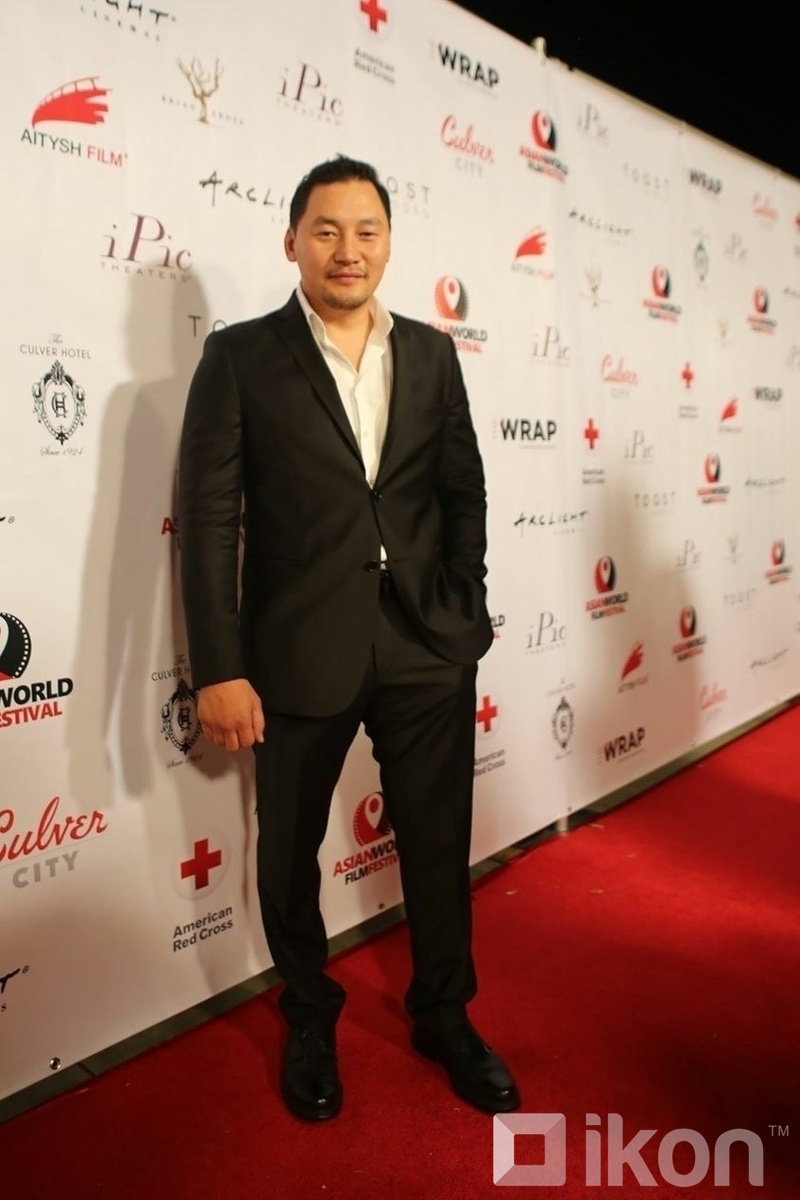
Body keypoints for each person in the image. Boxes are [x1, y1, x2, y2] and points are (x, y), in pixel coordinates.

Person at [178, 155, 519, 1121]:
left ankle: (444, 1013)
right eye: (326, 230)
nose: (347, 249)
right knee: (289, 851)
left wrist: (462, 598)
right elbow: (207, 520)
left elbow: (462, 490)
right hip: (296, 650)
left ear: (389, 244)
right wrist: (219, 669)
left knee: (439, 843)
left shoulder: (434, 354)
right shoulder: (241, 357)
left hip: (426, 643)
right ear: (292, 242)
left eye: (366, 230)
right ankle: (309, 1015)